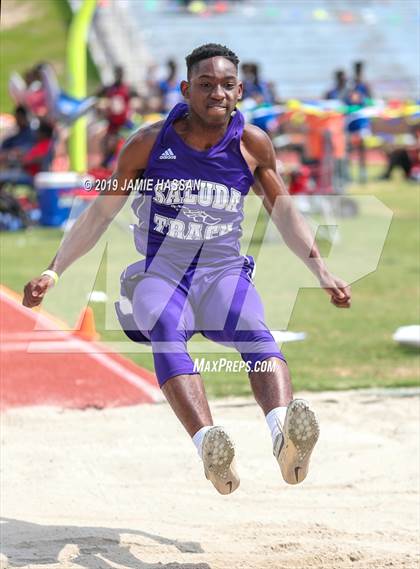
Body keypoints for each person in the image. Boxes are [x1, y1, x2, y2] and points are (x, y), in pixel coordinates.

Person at [23, 44, 351, 495]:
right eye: (206, 84)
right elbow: (100, 214)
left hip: (221, 271)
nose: (217, 92)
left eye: (227, 85)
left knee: (255, 328)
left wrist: (321, 270)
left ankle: (283, 436)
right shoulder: (149, 142)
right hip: (162, 273)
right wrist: (54, 270)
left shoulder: (251, 144)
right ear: (185, 89)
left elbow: (284, 213)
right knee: (163, 325)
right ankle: (210, 449)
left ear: (240, 91)